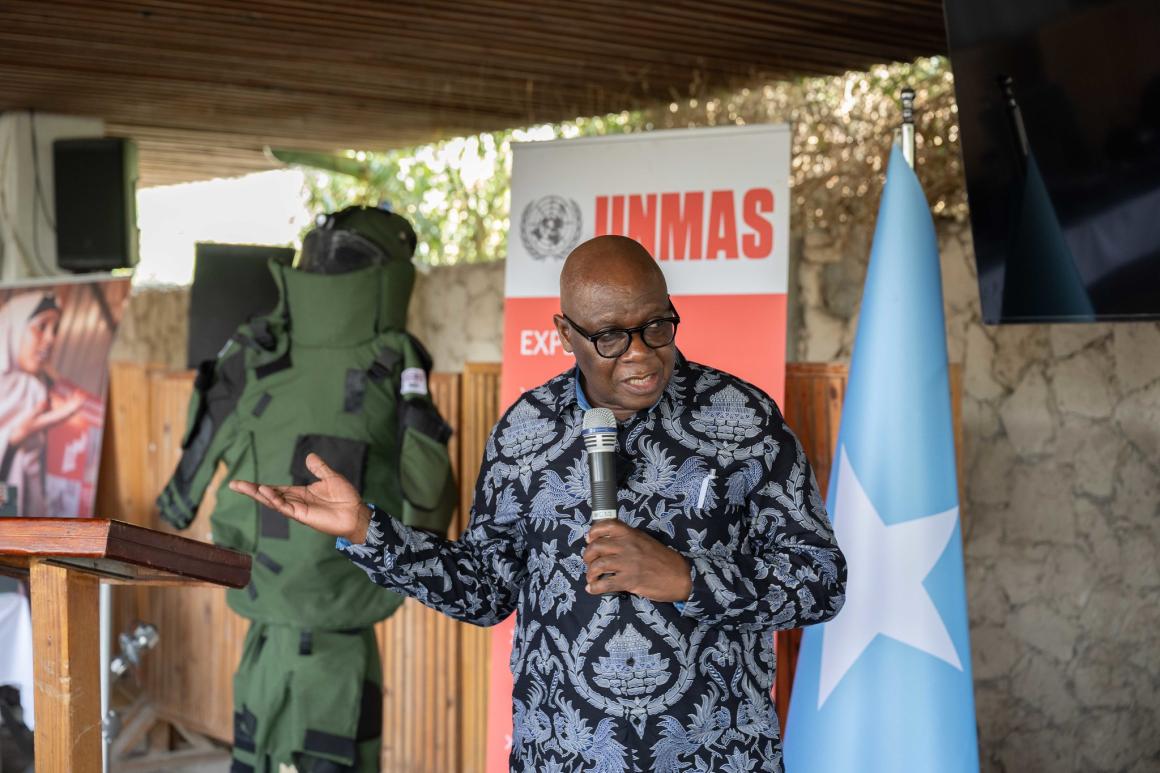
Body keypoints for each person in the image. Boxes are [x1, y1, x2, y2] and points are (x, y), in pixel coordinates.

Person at [231, 235, 847, 772]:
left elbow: (820, 580)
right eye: (608, 335)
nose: (639, 352)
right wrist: (368, 531)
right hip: (561, 755)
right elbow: (484, 589)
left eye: (657, 325)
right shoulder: (526, 430)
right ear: (564, 333)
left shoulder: (742, 418)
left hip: (716, 754)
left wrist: (687, 577)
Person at [0, 292, 84, 516]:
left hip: (26, 499)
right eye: (42, 327)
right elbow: (17, 435)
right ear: (14, 327)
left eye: (55, 330)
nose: (50, 339)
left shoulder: (35, 388)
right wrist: (15, 437)